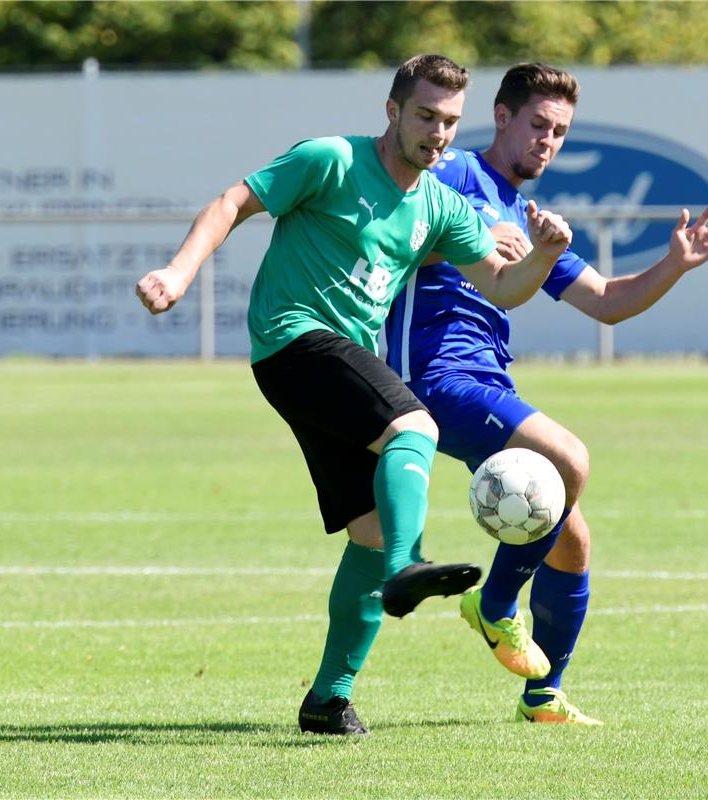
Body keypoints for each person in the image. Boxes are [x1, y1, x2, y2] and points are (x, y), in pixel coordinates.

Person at [135, 54, 573, 736]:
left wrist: (541, 257)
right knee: (416, 429)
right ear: (393, 111)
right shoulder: (330, 160)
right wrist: (178, 271)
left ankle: (327, 700)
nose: (438, 133)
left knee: (367, 536)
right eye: (425, 115)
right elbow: (233, 203)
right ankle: (410, 565)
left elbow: (501, 285)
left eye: (450, 122)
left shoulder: (441, 203)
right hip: (292, 338)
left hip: (336, 364)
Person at [385, 63, 708, 725]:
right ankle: (492, 606)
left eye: (560, 131)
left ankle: (543, 695)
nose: (548, 141)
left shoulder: (526, 211)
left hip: (487, 381)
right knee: (570, 460)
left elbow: (606, 301)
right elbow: (391, 234)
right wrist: (469, 240)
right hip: (432, 377)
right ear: (502, 117)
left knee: (570, 539)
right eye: (538, 125)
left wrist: (674, 263)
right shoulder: (455, 174)